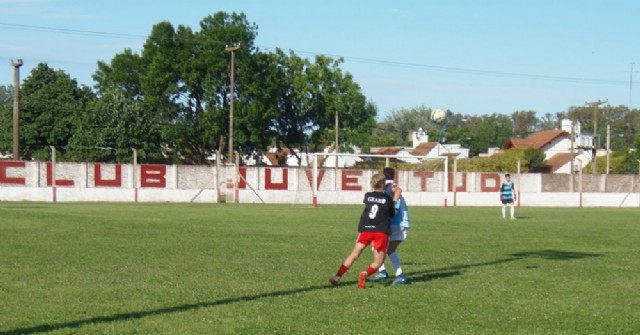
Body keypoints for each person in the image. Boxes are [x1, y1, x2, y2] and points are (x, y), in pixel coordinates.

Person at [329, 173, 395, 289]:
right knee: (378, 261)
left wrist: (360, 232)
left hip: (366, 229)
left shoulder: (367, 196)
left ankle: (337, 276)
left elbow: (365, 213)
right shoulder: (388, 198)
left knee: (354, 254)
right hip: (381, 231)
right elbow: (392, 214)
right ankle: (365, 274)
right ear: (382, 184)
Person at [369, 167, 411, 285]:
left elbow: (398, 190)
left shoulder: (389, 184)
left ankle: (399, 275)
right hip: (394, 222)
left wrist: (391, 204)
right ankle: (384, 272)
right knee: (379, 247)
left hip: (398, 222)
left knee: (385, 248)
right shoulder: (386, 185)